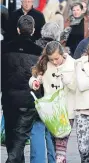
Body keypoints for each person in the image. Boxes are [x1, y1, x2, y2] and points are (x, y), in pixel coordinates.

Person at [1, 15, 43, 163]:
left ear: (18, 30)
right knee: (20, 136)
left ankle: (12, 160)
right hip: (28, 99)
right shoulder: (39, 51)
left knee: (13, 136)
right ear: (33, 31)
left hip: (9, 98)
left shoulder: (4, 48)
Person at [30, 41, 76, 163]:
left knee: (61, 143)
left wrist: (65, 79)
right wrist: (35, 82)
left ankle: (59, 160)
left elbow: (76, 86)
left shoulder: (73, 64)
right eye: (52, 59)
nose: (55, 62)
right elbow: (34, 77)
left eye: (57, 58)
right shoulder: (45, 64)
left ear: (63, 53)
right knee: (52, 141)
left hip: (67, 111)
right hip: (50, 111)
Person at [31, 22, 62, 163]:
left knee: (37, 131)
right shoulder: (58, 51)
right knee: (52, 134)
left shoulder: (33, 46)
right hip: (53, 99)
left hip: (36, 97)